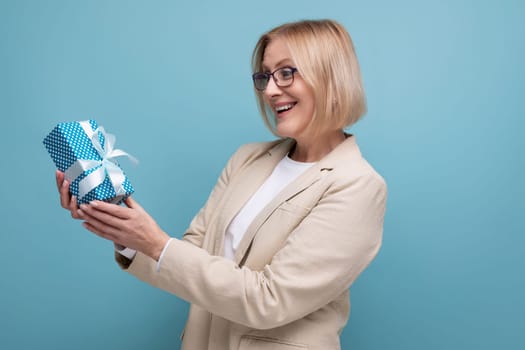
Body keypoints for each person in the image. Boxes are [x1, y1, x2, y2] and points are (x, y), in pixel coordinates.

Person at [56, 19, 387, 350]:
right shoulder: (247, 159)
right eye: (265, 76)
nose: (271, 90)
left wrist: (156, 244)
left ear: (329, 77)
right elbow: (190, 256)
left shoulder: (357, 186)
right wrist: (123, 229)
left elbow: (271, 300)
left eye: (287, 73)